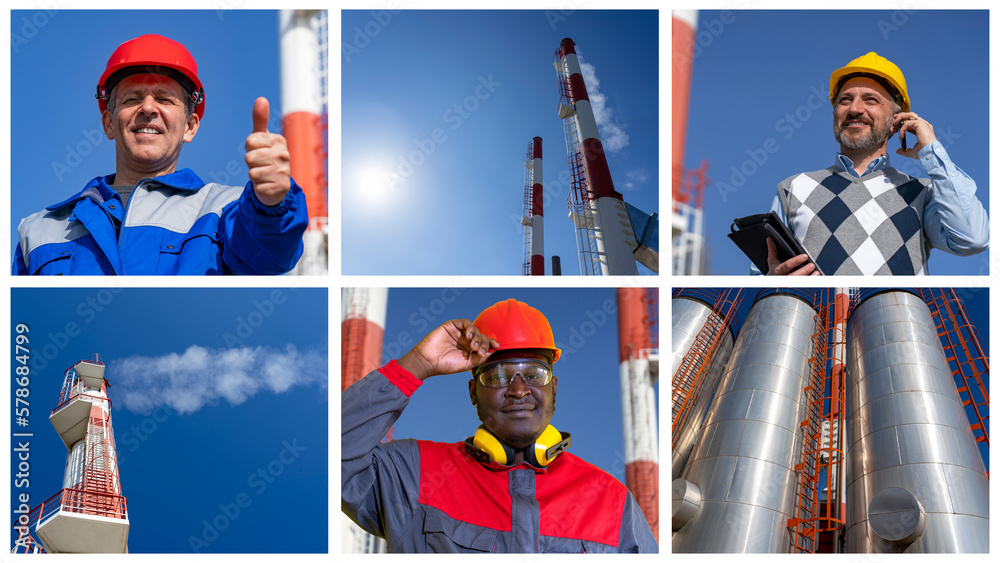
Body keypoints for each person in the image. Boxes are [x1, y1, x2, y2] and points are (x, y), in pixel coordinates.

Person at [341, 299, 658, 553]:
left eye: (534, 374)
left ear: (554, 389)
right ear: (473, 393)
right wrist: (418, 364)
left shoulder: (613, 503)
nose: (518, 390)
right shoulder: (413, 473)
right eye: (497, 376)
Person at [13, 34, 307, 275]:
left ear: (190, 127)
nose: (149, 108)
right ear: (108, 123)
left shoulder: (227, 210)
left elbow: (270, 256)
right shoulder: (40, 230)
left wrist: (271, 205)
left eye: (165, 99)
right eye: (133, 98)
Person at [755, 52, 988, 275]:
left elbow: (972, 239)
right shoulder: (793, 188)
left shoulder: (923, 193)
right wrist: (774, 280)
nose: (855, 109)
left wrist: (933, 153)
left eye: (871, 100)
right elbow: (759, 274)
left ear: (896, 121)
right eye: (845, 100)